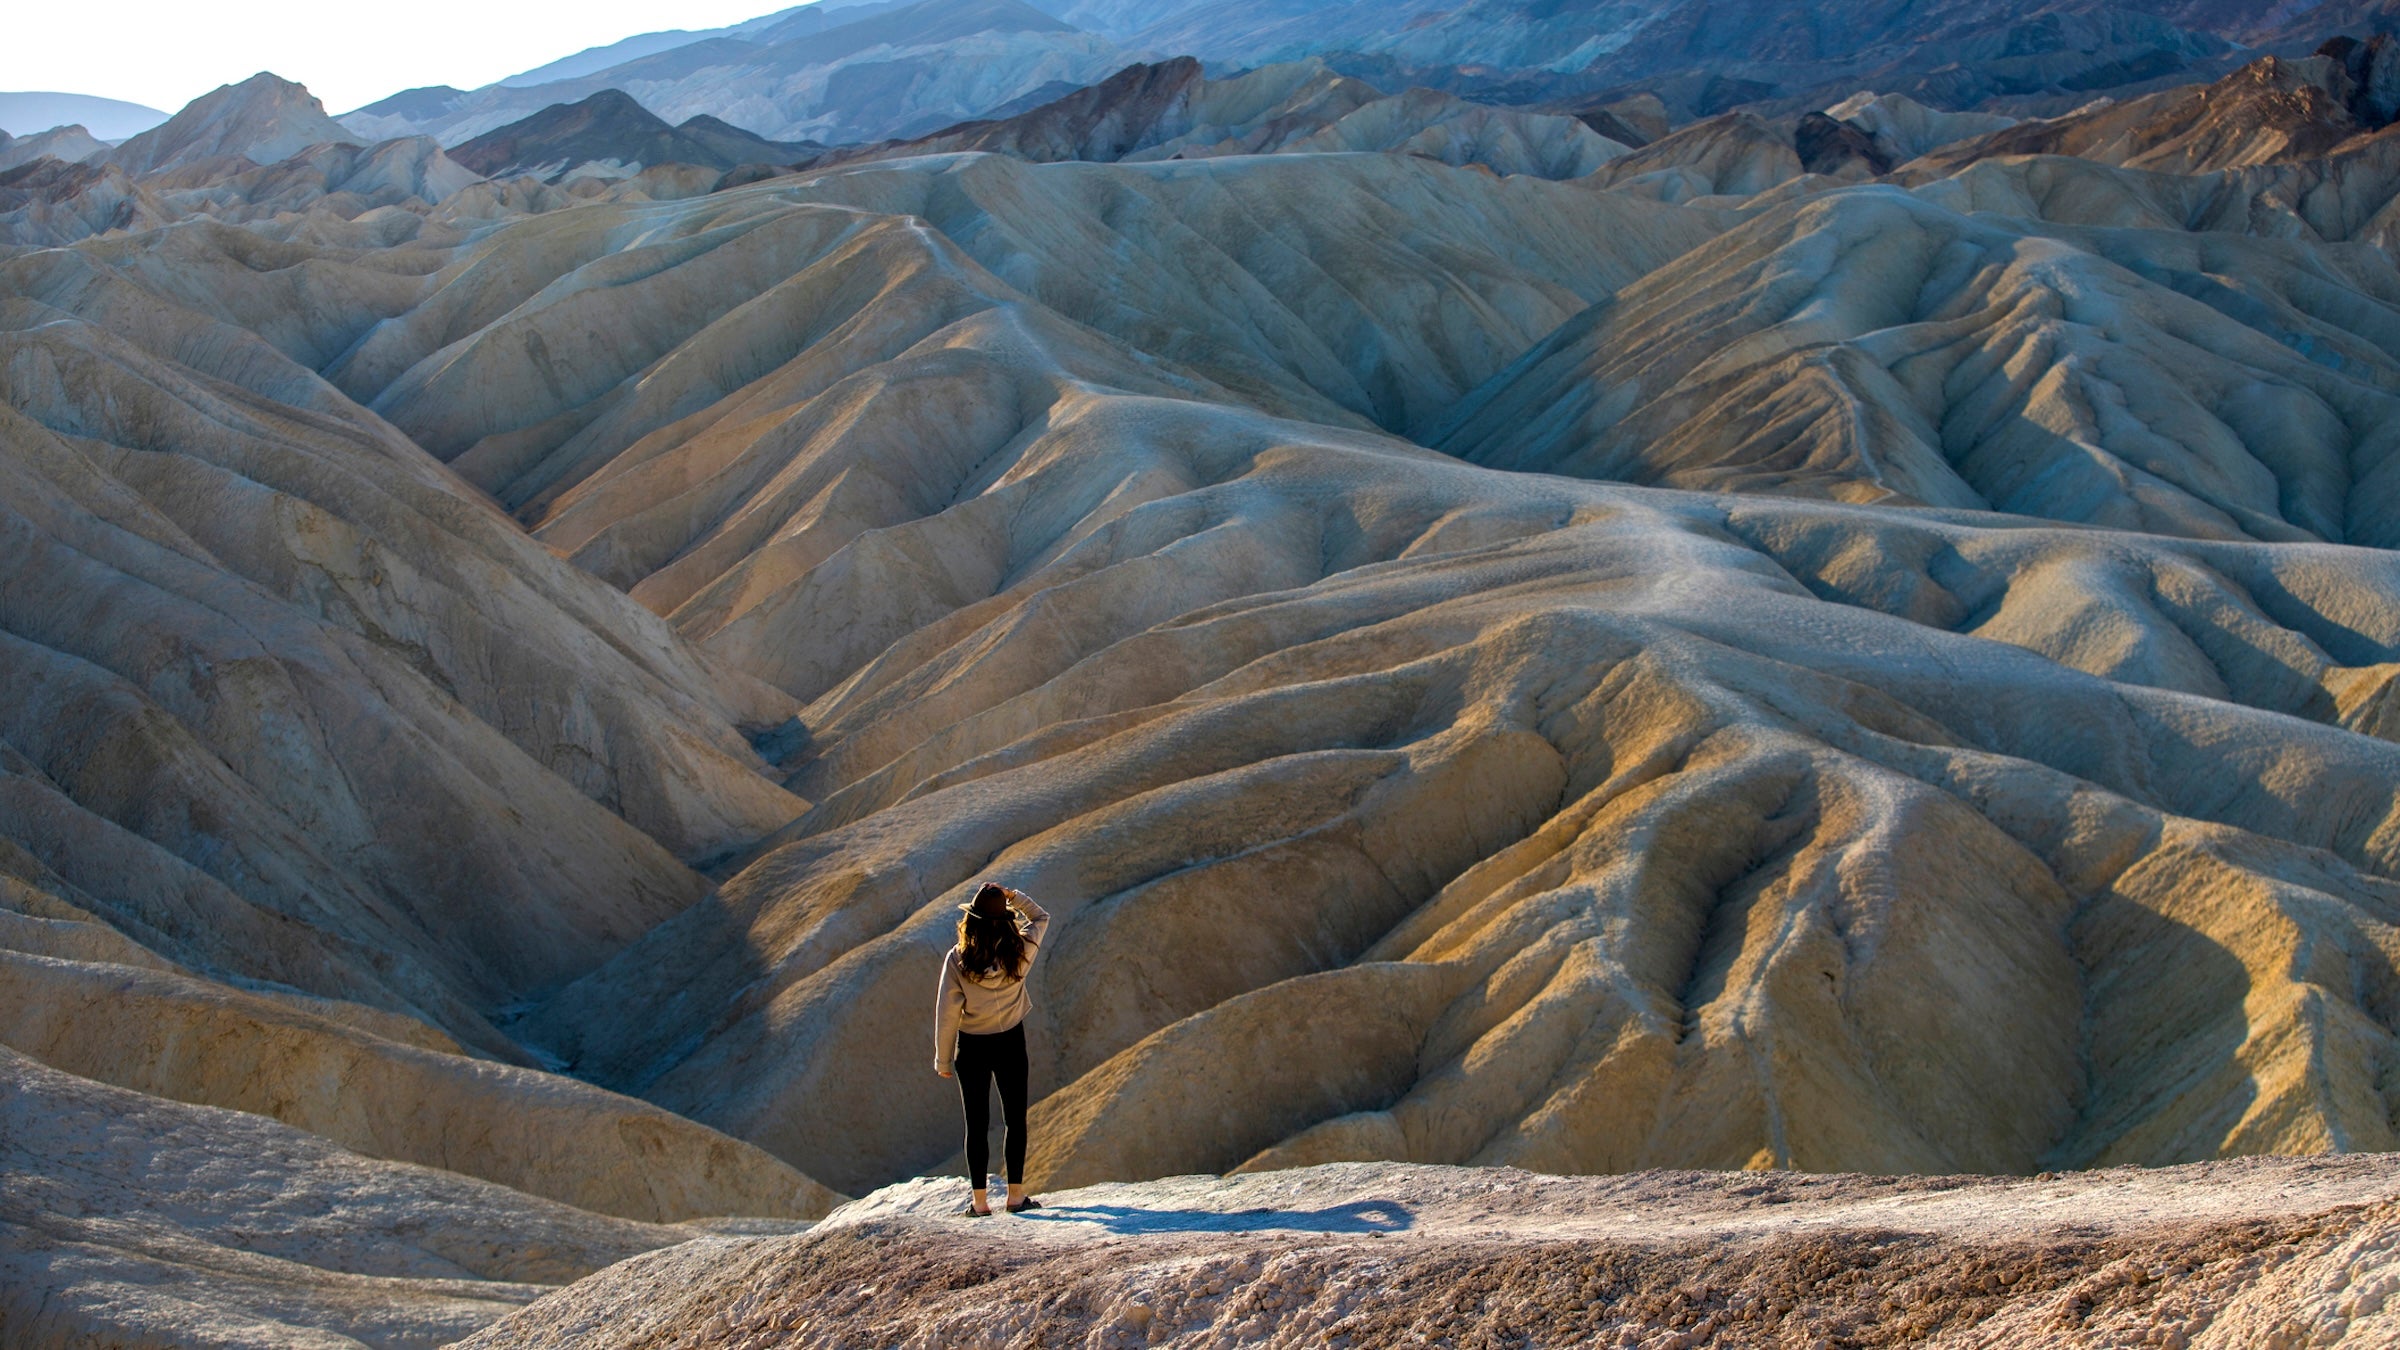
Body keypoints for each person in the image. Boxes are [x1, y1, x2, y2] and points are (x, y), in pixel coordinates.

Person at [934, 881, 1050, 1216]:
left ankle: (980, 1202)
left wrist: (943, 1059)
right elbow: (1040, 917)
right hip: (1010, 1040)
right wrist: (1014, 897)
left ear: (971, 921)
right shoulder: (1020, 952)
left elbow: (946, 1013)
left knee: (976, 1125)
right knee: (1015, 1119)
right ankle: (1015, 1197)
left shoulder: (958, 959)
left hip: (972, 1046)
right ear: (1005, 921)